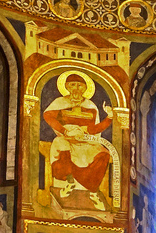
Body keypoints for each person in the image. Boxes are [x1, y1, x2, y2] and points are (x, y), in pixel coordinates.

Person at [43, 73, 113, 208]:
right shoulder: (59, 102)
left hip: (85, 140)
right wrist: (65, 131)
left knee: (103, 153)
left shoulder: (90, 106)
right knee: (62, 146)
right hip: (66, 137)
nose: (76, 89)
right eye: (72, 85)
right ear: (67, 87)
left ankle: (93, 191)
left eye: (80, 85)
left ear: (85, 88)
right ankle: (69, 182)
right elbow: (48, 116)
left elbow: (94, 129)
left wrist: (109, 117)